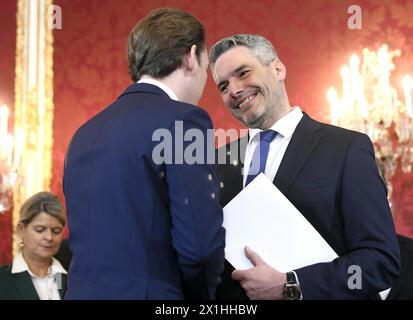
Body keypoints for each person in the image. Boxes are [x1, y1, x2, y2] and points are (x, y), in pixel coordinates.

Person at [209, 34, 400, 299]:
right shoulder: (216, 162)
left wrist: (292, 285)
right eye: (223, 86)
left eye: (243, 73)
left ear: (277, 69)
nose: (234, 90)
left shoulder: (346, 149)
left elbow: (380, 262)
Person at [63, 8, 225, 299]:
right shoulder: (186, 121)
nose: (205, 76)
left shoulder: (83, 133)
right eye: (206, 64)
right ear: (191, 56)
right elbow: (200, 248)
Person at [0, 192, 67, 300]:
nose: (49, 237)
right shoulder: (3, 281)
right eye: (40, 230)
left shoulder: (67, 278)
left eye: (56, 231)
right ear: (21, 230)